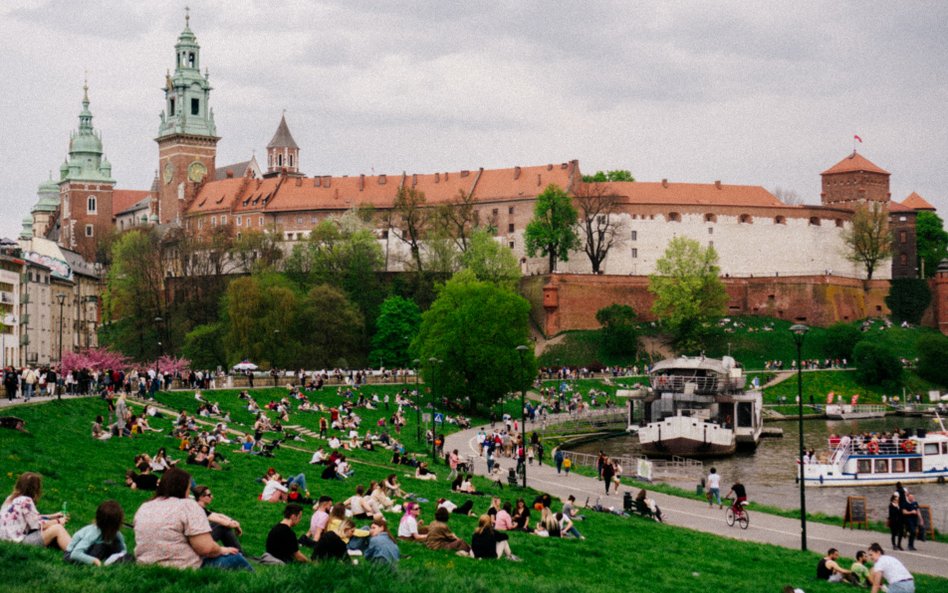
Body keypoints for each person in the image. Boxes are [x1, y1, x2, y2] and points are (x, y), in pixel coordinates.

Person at [133, 467, 252, 571]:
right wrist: (221, 550)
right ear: (183, 488)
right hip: (181, 567)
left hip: (146, 566)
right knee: (236, 558)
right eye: (189, 488)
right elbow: (206, 548)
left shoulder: (145, 506)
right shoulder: (188, 505)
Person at [0, 472, 72, 550]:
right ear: (35, 489)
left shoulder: (10, 498)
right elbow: (37, 525)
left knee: (53, 527)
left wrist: (52, 516)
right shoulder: (26, 500)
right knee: (57, 528)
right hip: (17, 542)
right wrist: (58, 521)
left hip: (5, 539)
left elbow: (31, 518)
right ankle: (73, 552)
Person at [64, 500, 129, 566]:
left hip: (95, 551)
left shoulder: (116, 534)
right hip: (72, 554)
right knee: (102, 546)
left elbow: (123, 552)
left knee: (118, 549)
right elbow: (75, 554)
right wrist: (95, 561)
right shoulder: (94, 533)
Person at [193, 486, 243, 552]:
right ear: (201, 497)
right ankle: (240, 554)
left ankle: (239, 553)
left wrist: (232, 520)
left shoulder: (198, 506)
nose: (212, 497)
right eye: (209, 495)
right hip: (198, 543)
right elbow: (223, 522)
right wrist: (236, 526)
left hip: (198, 538)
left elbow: (219, 515)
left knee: (220, 524)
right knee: (222, 526)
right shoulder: (199, 510)